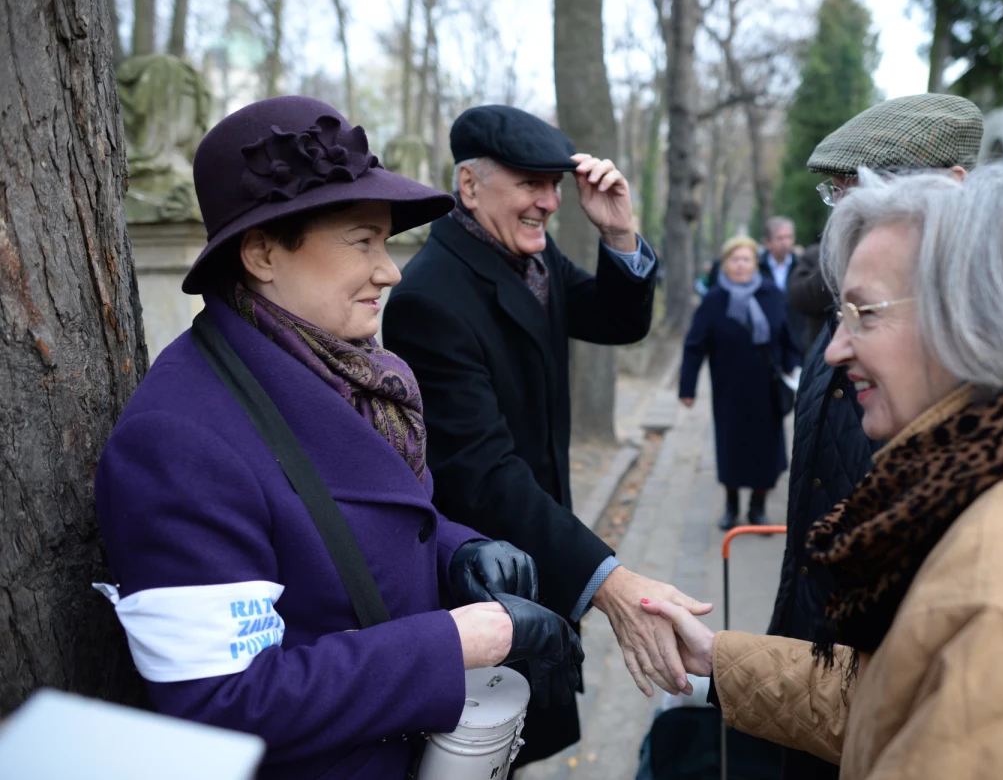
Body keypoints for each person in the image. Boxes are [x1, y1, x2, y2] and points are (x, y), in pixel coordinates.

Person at [645, 163, 1003, 779]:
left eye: (865, 315)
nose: (834, 349)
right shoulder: (999, 492)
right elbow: (893, 702)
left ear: (973, 322)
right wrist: (719, 658)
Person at [92, 97, 583, 780]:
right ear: (262, 252)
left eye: (386, 242)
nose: (391, 271)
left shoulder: (339, 370)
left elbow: (369, 521)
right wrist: (453, 642)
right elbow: (221, 702)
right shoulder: (178, 440)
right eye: (362, 241)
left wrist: (458, 552)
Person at [382, 104, 711, 766]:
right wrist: (609, 582)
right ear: (469, 188)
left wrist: (620, 234)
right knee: (485, 746)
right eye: (531, 183)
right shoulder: (431, 297)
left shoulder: (525, 256)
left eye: (555, 185)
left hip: (539, 539)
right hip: (484, 574)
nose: (551, 202)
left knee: (526, 740)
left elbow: (613, 320)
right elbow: (484, 475)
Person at [766, 93, 982, 779]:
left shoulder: (995, 357)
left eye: (860, 191)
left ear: (949, 192)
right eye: (837, 195)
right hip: (815, 676)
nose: (846, 217)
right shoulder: (851, 320)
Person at [679, 235, 802, 530]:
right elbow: (695, 345)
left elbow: (787, 338)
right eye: (735, 259)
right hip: (729, 388)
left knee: (766, 452)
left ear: (755, 263)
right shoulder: (713, 300)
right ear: (725, 264)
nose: (741, 265)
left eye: (746, 259)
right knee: (731, 448)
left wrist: (793, 369)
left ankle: (757, 508)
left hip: (767, 388)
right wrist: (688, 388)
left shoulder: (772, 294)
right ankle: (732, 505)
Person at [761, 216, 808, 357]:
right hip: (767, 344)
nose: (785, 243)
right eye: (780, 238)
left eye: (788, 237)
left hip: (797, 342)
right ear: (767, 242)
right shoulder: (757, 268)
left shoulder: (802, 266)